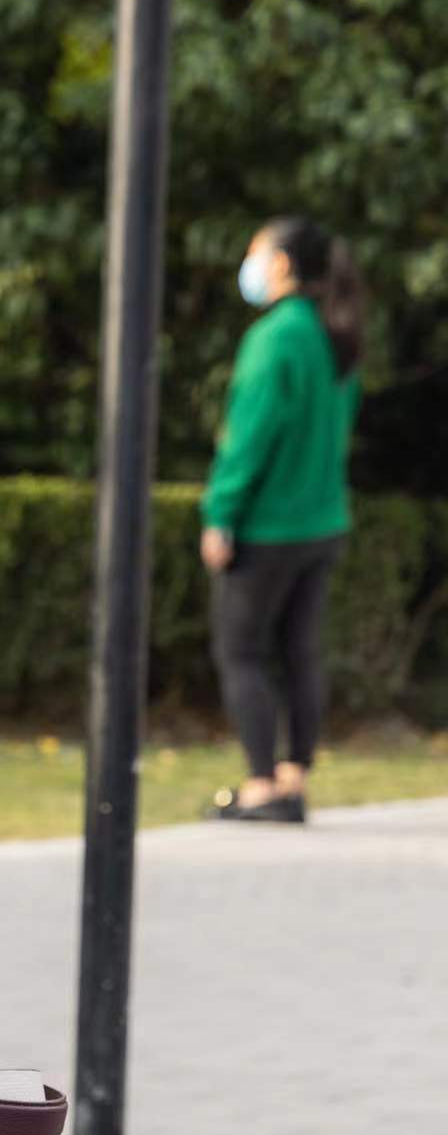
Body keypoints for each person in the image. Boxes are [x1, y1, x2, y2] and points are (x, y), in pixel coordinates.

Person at [202, 215, 365, 824]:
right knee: (301, 651)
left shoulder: (274, 337)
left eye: (254, 253)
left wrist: (221, 514)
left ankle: (261, 786)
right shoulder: (334, 333)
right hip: (324, 521)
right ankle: (294, 778)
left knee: (241, 652)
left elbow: (249, 436)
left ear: (279, 264)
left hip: (267, 526)